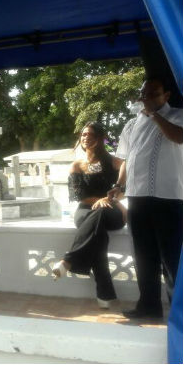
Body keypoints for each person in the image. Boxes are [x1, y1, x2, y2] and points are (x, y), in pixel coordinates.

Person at [108, 78, 182, 319]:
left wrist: (154, 115)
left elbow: (178, 137)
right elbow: (128, 160)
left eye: (153, 93)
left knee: (171, 258)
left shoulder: (178, 116)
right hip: (137, 197)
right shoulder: (131, 125)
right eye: (143, 94)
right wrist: (119, 185)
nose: (146, 98)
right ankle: (148, 306)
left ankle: (178, 313)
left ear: (167, 94)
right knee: (143, 255)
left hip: (168, 197)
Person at [52, 122, 127, 309]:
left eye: (91, 135)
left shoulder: (114, 162)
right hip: (85, 210)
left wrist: (110, 200)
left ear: (100, 138)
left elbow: (125, 184)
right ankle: (105, 295)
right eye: (84, 135)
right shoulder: (77, 166)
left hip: (111, 210)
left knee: (101, 212)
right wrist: (99, 200)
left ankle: (68, 260)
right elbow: (79, 196)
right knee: (98, 238)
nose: (86, 138)